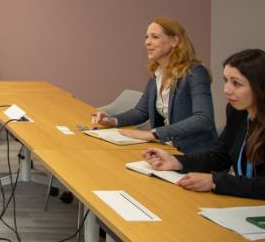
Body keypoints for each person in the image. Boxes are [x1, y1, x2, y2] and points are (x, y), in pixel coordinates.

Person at [143, 49, 265, 202]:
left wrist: (215, 181)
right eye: (226, 80)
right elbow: (219, 156)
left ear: (262, 87)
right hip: (249, 201)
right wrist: (176, 161)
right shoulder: (237, 111)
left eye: (236, 83)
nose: (226, 90)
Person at [91, 17, 217, 153]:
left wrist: (154, 134)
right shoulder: (158, 72)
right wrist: (112, 120)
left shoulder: (195, 72)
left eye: (155, 37)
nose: (147, 42)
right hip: (167, 149)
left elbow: (203, 119)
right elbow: (141, 112)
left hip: (195, 154)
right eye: (146, 37)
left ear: (174, 41)